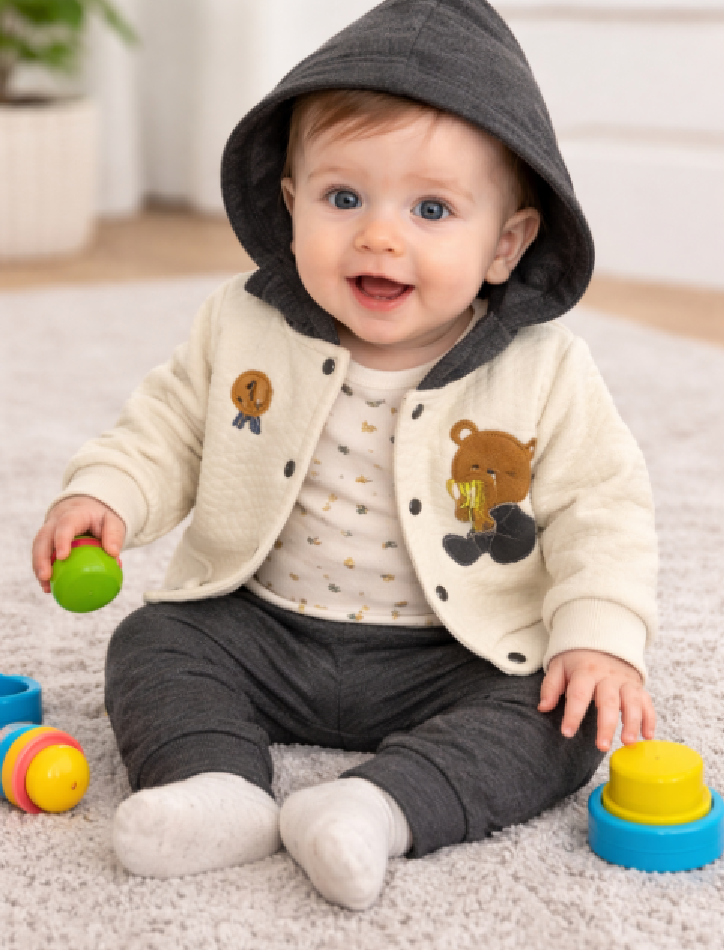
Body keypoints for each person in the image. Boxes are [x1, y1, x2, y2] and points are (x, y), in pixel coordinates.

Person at [31, 0, 657, 911]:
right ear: (292, 205)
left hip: (452, 651)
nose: (379, 236)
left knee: (567, 714)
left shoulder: (545, 369)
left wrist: (599, 636)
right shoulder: (244, 323)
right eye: (343, 198)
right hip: (264, 627)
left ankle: (378, 807)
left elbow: (604, 508)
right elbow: (169, 427)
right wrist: (108, 493)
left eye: (432, 209)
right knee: (152, 641)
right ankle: (216, 785)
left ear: (506, 245)